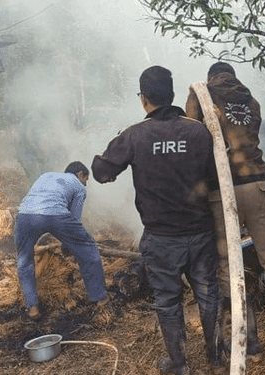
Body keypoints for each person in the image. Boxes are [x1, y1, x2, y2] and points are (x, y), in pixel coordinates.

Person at [92, 66, 223, 375]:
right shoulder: (199, 131)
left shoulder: (135, 135)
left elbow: (101, 173)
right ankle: (216, 359)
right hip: (201, 233)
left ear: (144, 99)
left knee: (167, 301)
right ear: (172, 95)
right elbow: (217, 180)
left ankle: (179, 365)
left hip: (162, 239)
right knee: (208, 294)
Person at [185, 62, 265, 359]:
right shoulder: (250, 100)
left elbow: (193, 134)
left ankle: (246, 341)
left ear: (210, 78)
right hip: (257, 185)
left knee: (228, 266)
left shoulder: (202, 94)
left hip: (222, 191)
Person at [15, 161, 107, 320]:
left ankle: (32, 307)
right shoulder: (78, 186)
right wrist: (69, 246)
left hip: (24, 216)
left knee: (24, 260)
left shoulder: (45, 176)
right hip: (55, 215)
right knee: (88, 250)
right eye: (86, 180)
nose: (85, 185)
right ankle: (100, 298)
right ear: (80, 174)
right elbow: (74, 219)